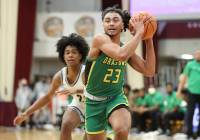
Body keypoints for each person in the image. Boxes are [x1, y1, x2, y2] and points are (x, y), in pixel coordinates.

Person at [84, 6, 155, 140]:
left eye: (116, 20)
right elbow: (121, 55)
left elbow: (149, 70)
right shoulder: (99, 39)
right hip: (93, 101)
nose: (111, 23)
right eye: (107, 20)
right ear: (103, 25)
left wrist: (148, 38)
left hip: (115, 98)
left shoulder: (125, 48)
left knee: (122, 129)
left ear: (123, 25)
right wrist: (139, 33)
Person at [13, 33, 89, 140]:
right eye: (67, 53)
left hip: (95, 106)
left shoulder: (86, 72)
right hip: (78, 104)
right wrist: (26, 113)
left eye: (74, 52)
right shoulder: (59, 76)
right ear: (63, 56)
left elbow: (98, 92)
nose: (70, 55)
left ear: (80, 55)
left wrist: (76, 89)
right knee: (66, 124)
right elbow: (47, 97)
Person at [177, 50, 200, 139]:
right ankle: (189, 133)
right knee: (190, 113)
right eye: (196, 54)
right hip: (191, 92)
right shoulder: (190, 65)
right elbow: (184, 78)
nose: (198, 55)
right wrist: (179, 90)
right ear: (194, 56)